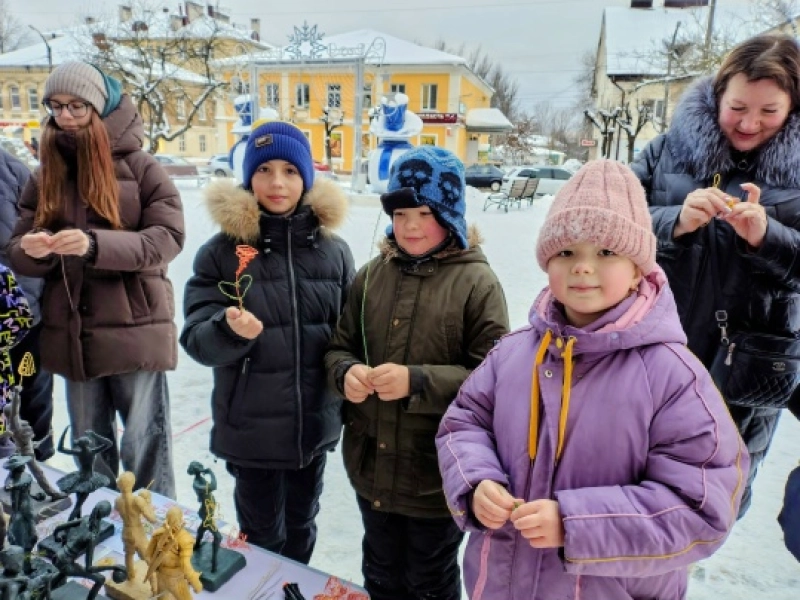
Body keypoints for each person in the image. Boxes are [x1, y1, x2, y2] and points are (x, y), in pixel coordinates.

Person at [436, 159, 748, 600]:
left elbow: (702, 507)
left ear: (638, 269)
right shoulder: (512, 353)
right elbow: (463, 422)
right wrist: (476, 481)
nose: (582, 267)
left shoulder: (673, 376)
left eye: (605, 252)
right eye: (566, 252)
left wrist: (577, 524)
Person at [325, 146, 509, 600]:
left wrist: (417, 381)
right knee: (380, 571)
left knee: (429, 580)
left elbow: (493, 379)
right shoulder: (370, 277)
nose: (409, 226)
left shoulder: (477, 283)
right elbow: (340, 347)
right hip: (372, 467)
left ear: (449, 214)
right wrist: (345, 372)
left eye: (423, 213)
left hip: (436, 478)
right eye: (400, 213)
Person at [630, 34, 800, 517]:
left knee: (711, 502)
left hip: (748, 365)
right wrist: (673, 222)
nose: (749, 123)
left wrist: (768, 237)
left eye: (769, 111)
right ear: (717, 94)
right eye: (737, 107)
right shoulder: (665, 151)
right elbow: (604, 224)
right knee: (629, 485)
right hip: (653, 350)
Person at [6, 61, 184, 499]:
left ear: (100, 106)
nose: (64, 116)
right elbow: (15, 248)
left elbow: (167, 238)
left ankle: (156, 531)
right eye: (56, 106)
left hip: (134, 332)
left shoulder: (141, 168)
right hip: (73, 336)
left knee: (144, 447)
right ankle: (100, 531)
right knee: (89, 452)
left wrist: (93, 245)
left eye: (76, 106)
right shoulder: (45, 173)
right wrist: (32, 249)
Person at [181, 121, 355, 563]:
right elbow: (197, 339)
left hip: (314, 426)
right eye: (264, 170)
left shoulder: (334, 252)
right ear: (248, 178)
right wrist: (226, 330)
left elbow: (350, 335)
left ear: (306, 179)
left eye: (290, 171)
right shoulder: (221, 253)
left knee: (301, 525)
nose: (277, 183)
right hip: (252, 431)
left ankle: (293, 589)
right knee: (261, 537)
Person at [0, 148, 53, 462]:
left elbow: (41, 230)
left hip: (22, 314)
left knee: (30, 402)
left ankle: (36, 471)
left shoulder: (13, 170)